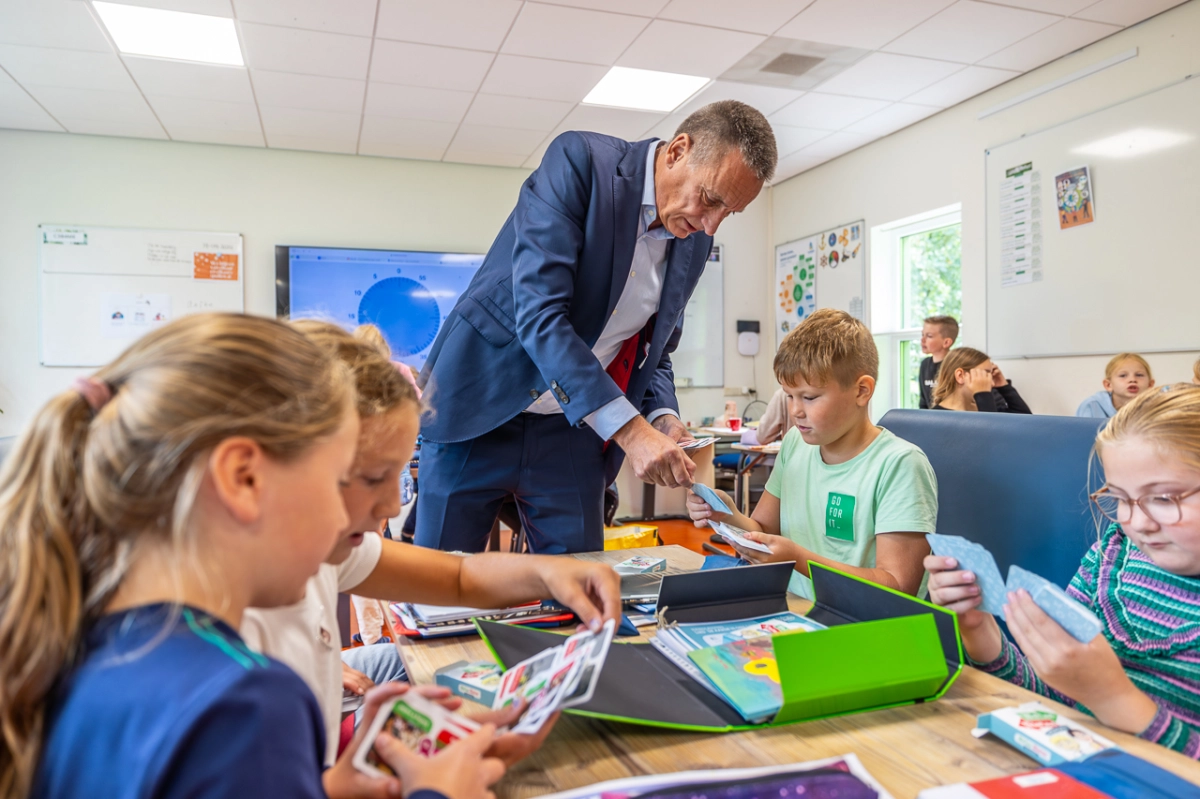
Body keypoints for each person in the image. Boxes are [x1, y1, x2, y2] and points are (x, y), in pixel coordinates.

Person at [0, 314, 504, 799]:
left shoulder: (74, 636)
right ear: (243, 478)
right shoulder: (247, 706)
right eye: (335, 480)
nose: (344, 517)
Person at [242, 321, 622, 776]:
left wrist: (549, 573)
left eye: (398, 477)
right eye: (370, 478)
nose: (393, 504)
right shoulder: (228, 661)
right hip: (307, 755)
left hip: (321, 719)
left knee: (436, 669)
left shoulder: (318, 547)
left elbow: (457, 576)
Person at [416, 101, 778, 554]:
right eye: (710, 199)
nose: (710, 224)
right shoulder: (581, 164)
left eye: (729, 213)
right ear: (677, 151)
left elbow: (657, 350)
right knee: (441, 596)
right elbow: (541, 315)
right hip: (481, 405)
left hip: (572, 432)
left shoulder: (694, 242)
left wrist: (662, 417)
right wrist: (631, 430)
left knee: (582, 589)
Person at [925, 384, 1200, 758]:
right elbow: (1055, 698)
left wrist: (1113, 697)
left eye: (1164, 498)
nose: (1135, 521)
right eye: (1119, 498)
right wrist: (978, 630)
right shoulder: (1111, 557)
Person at [685, 308, 938, 600]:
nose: (795, 411)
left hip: (864, 626)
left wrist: (799, 558)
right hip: (794, 610)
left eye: (810, 397)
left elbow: (897, 586)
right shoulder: (795, 444)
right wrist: (727, 515)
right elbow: (763, 529)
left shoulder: (900, 465)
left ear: (862, 391)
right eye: (789, 396)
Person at [931, 347, 1032, 413]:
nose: (991, 383)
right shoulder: (936, 418)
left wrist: (1003, 386)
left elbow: (1025, 421)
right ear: (960, 375)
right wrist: (983, 394)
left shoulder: (985, 408)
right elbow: (990, 435)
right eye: (985, 374)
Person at [1076, 353, 1154, 418]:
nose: (1132, 379)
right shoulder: (1091, 406)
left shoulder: (1157, 407)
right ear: (1108, 385)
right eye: (1123, 375)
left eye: (1139, 375)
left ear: (1150, 385)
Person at [918, 315, 959, 410]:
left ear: (946, 342)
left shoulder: (956, 365)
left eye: (929, 336)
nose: (922, 340)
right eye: (922, 334)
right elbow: (923, 402)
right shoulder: (924, 364)